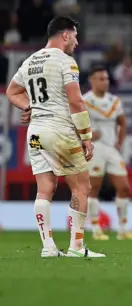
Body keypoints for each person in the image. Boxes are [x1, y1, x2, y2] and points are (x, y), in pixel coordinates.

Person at [5, 16, 105, 258]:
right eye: (75, 36)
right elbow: (76, 101)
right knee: (81, 186)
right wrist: (86, 136)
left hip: (36, 134)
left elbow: (12, 91)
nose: (77, 42)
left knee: (45, 188)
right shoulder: (66, 61)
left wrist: (29, 108)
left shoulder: (31, 60)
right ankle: (76, 247)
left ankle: (48, 247)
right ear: (65, 35)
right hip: (59, 131)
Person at [83, 65, 132, 241]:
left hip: (111, 148)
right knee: (94, 188)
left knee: (124, 187)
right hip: (95, 148)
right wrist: (86, 137)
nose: (105, 82)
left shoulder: (114, 101)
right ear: (92, 80)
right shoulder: (84, 101)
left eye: (107, 79)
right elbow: (74, 125)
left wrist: (119, 142)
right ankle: (95, 228)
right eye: (101, 79)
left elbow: (122, 123)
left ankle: (123, 229)